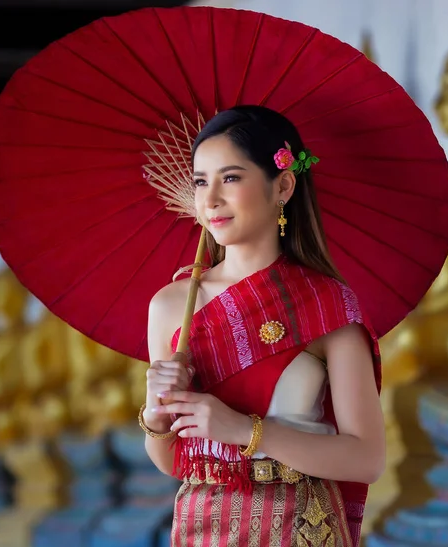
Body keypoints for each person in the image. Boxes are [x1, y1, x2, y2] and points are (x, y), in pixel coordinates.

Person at [138, 105, 385, 547]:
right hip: (202, 522)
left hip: (299, 523)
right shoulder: (170, 306)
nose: (210, 198)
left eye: (230, 178)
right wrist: (156, 415)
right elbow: (174, 461)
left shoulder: (326, 302)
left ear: (283, 185)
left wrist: (243, 431)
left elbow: (366, 458)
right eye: (200, 181)